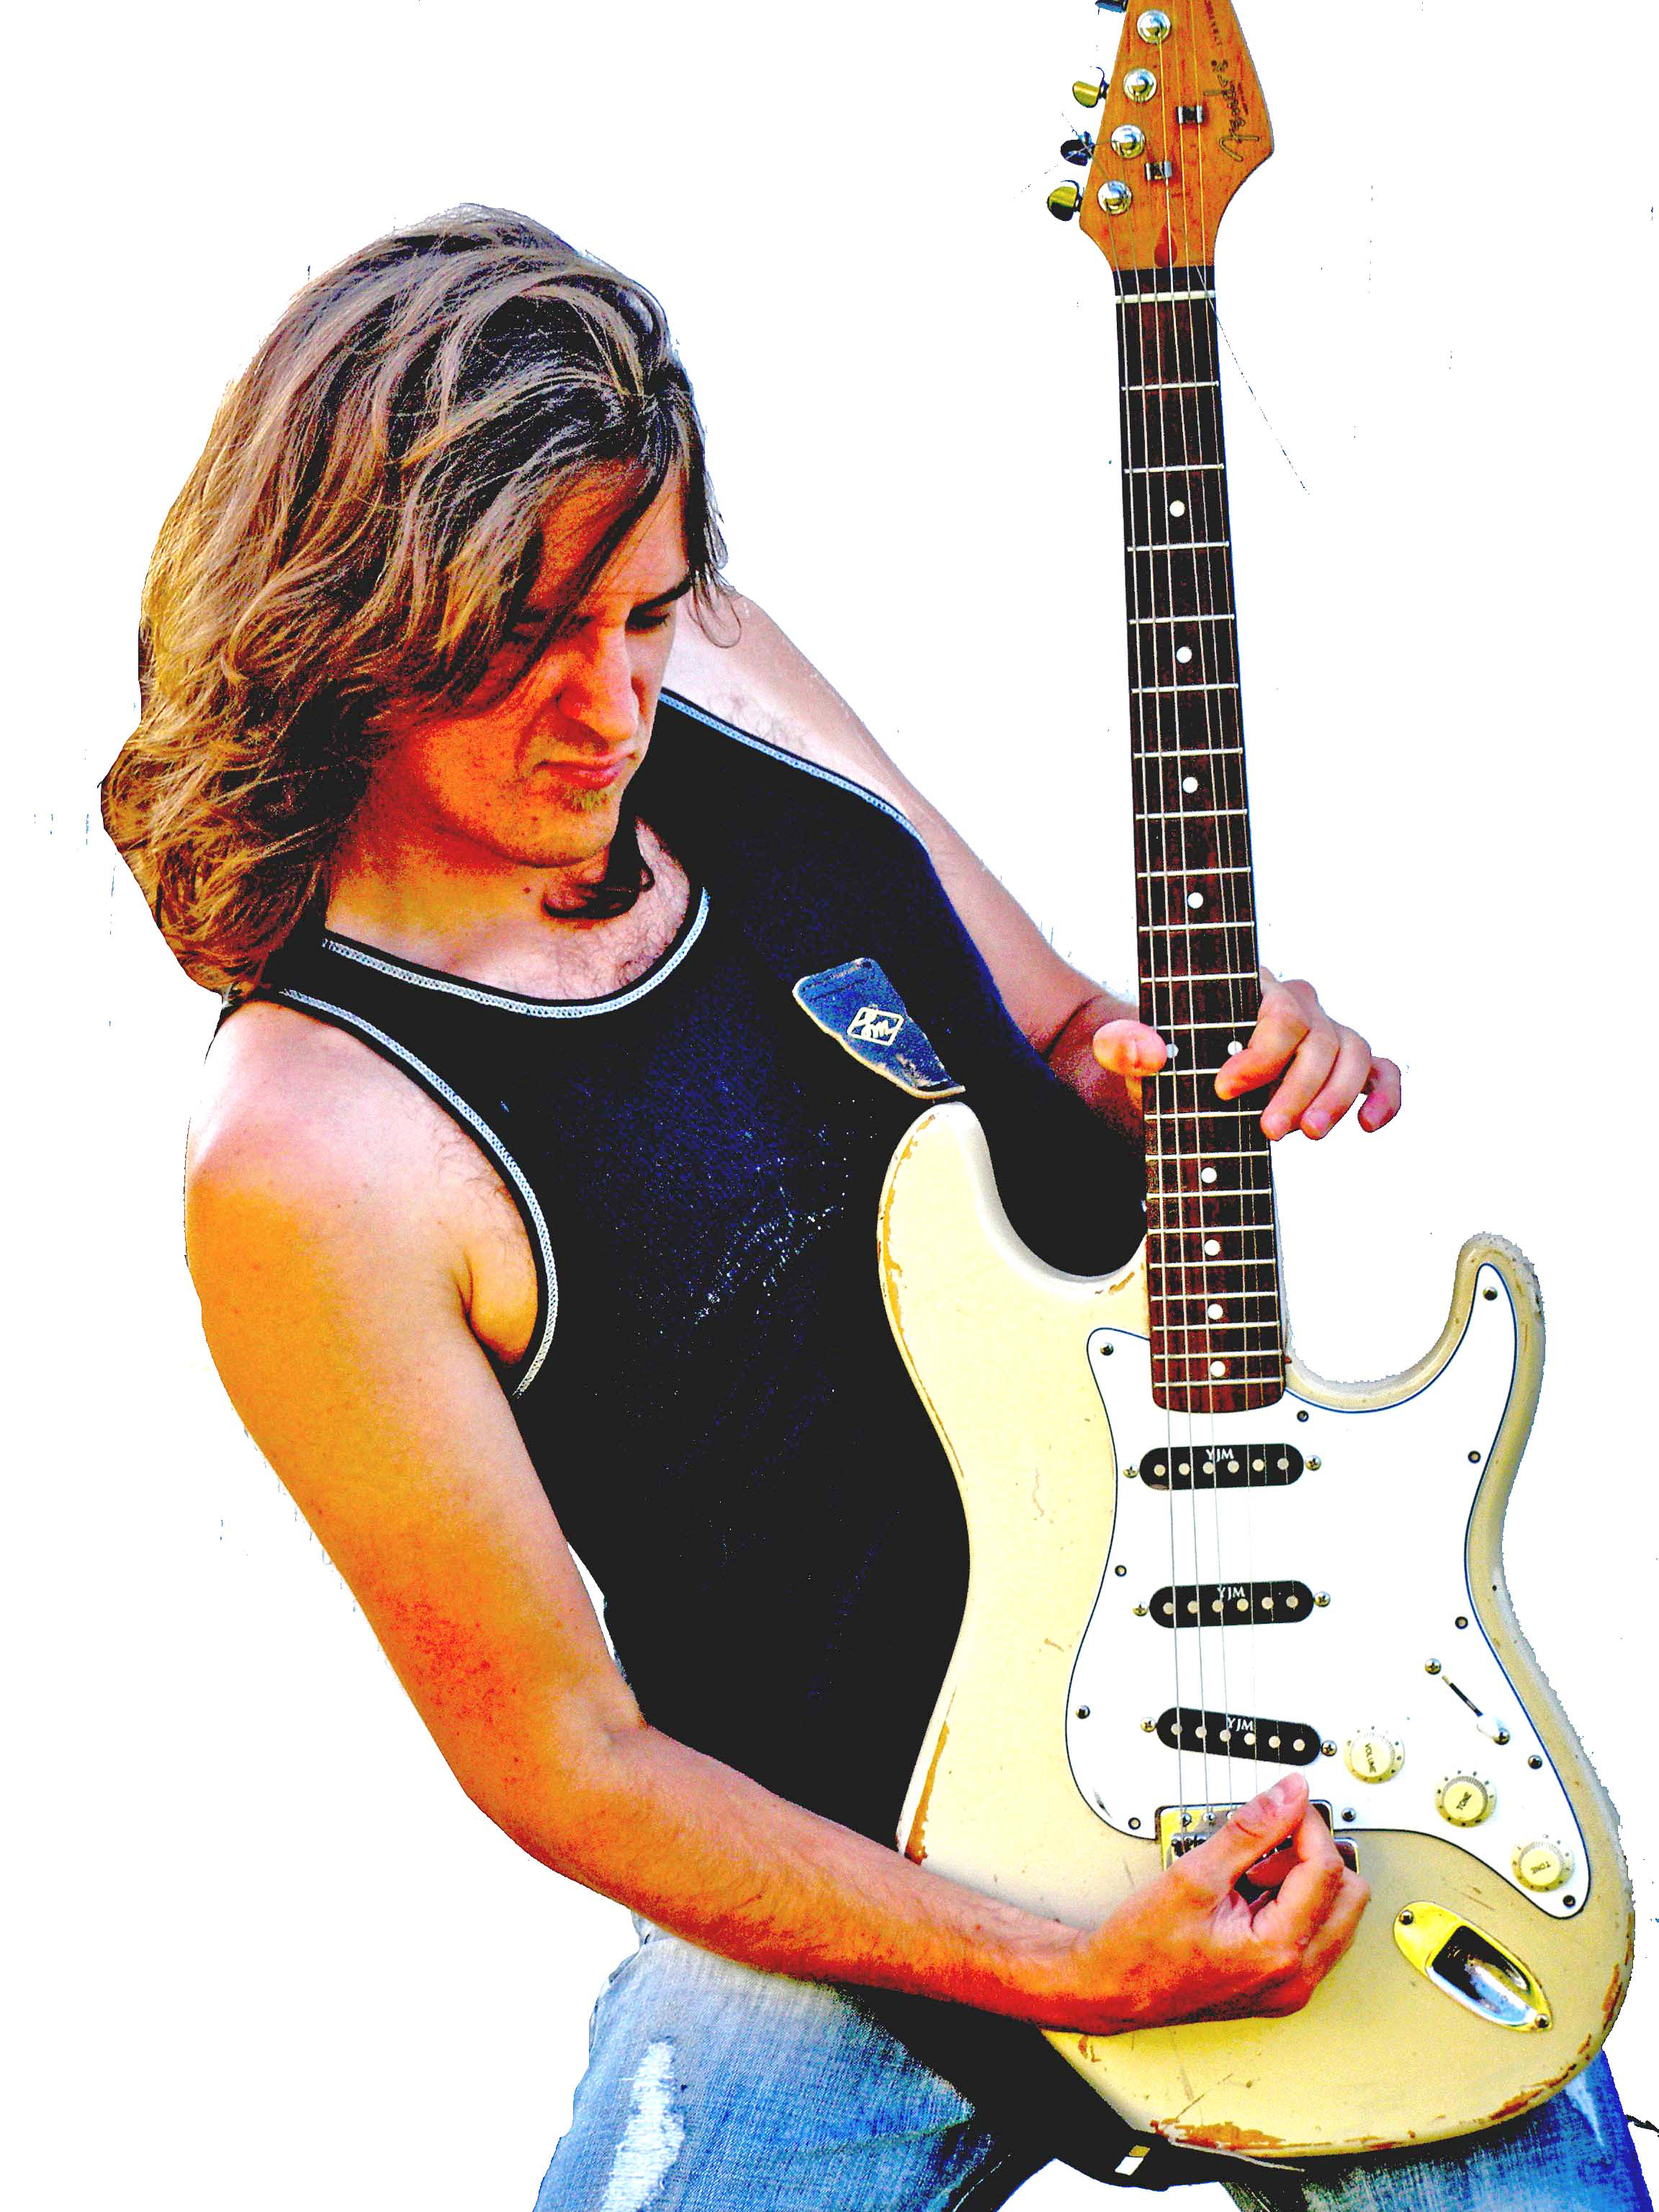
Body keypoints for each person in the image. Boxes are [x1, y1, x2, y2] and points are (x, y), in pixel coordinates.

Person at [102, 207, 1648, 2211]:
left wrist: (1207, 1060)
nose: (613, 705)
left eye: (643, 614)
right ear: (345, 627)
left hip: (1269, 1697)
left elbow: (1068, 1035)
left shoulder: (721, 670)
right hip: (852, 1878)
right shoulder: (312, 1145)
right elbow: (567, 1760)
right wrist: (1062, 1966)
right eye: (525, 643)